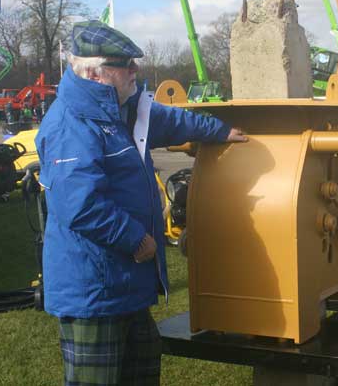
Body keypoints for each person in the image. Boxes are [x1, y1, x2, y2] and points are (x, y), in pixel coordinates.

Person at [35, 20, 247, 385]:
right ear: (93, 72)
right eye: (124, 64)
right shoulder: (71, 123)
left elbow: (170, 119)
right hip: (94, 295)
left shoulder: (124, 107)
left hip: (128, 286)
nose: (136, 70)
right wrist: (135, 238)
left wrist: (222, 131)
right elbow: (80, 204)